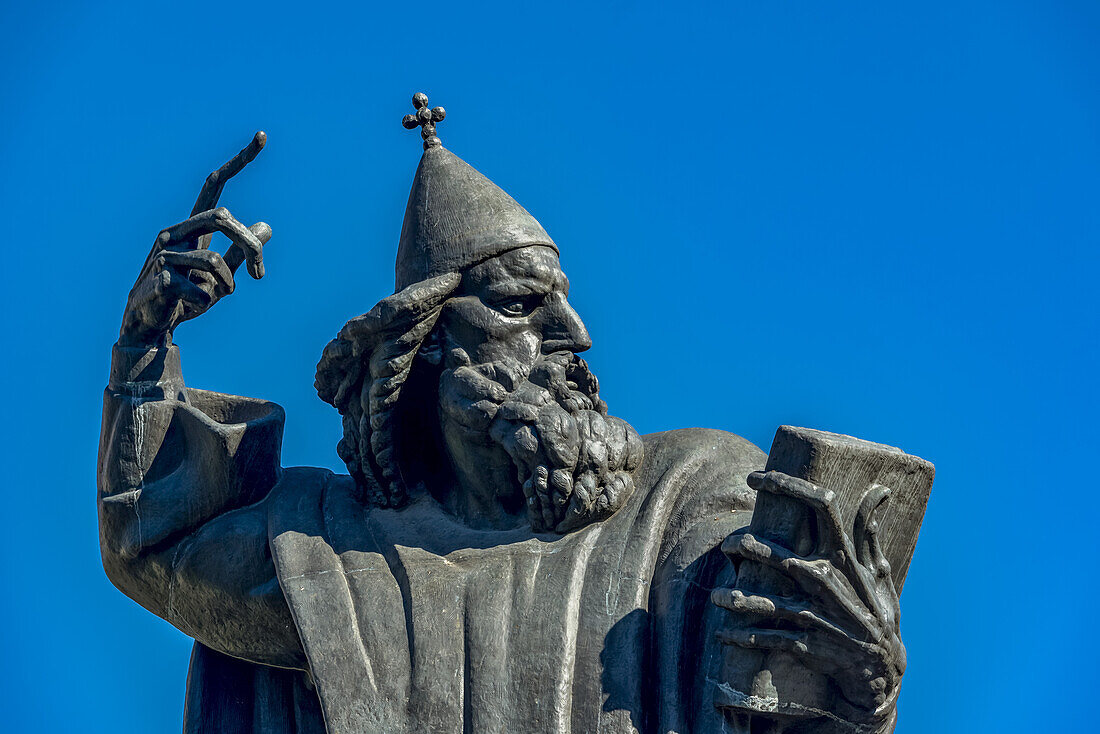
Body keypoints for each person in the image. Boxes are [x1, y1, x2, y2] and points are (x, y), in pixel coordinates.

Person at [99, 95, 906, 734]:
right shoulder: (322, 545)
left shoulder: (689, 498)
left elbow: (775, 692)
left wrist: (858, 696)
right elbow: (154, 547)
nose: (575, 335)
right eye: (523, 304)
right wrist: (144, 342)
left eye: (565, 302)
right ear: (430, 343)